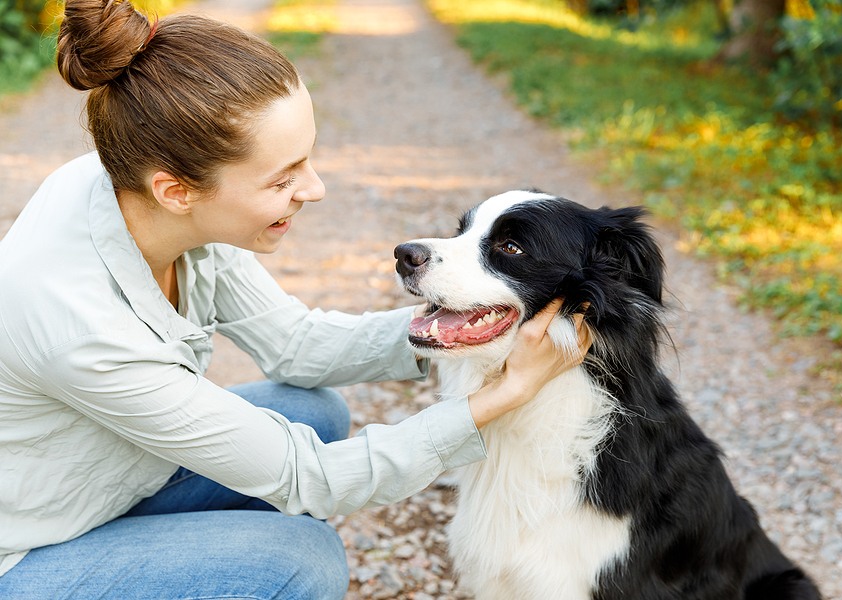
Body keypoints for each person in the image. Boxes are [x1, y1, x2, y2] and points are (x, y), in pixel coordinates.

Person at [0, 1, 591, 598]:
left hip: (108, 474)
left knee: (313, 412)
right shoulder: (76, 320)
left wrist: (459, 328)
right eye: (283, 178)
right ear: (176, 190)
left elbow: (297, 348)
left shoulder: (139, 183)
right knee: (299, 561)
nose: (315, 189)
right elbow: (310, 478)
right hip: (26, 547)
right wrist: (501, 395)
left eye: (308, 159)